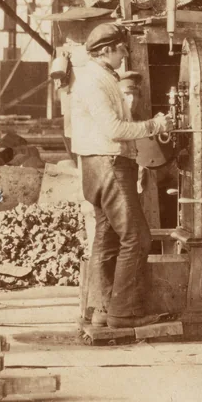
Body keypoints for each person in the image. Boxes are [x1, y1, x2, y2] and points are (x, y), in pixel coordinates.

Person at [68, 22, 170, 329]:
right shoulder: (94, 81)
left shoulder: (101, 78)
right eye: (122, 49)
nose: (125, 54)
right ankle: (123, 313)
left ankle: (102, 309)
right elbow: (114, 130)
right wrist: (155, 125)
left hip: (98, 164)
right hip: (109, 163)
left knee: (107, 237)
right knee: (137, 237)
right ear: (107, 50)